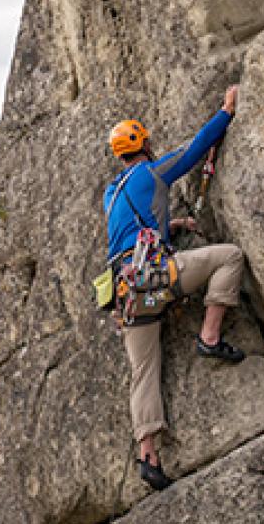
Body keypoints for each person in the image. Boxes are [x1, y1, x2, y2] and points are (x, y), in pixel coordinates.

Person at [104, 85, 245, 491]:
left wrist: (173, 226)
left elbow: (132, 230)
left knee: (143, 371)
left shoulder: (111, 194)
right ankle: (210, 336)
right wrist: (226, 111)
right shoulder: (152, 171)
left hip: (127, 292)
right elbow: (194, 150)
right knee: (229, 257)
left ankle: (148, 454)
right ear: (143, 145)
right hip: (159, 275)